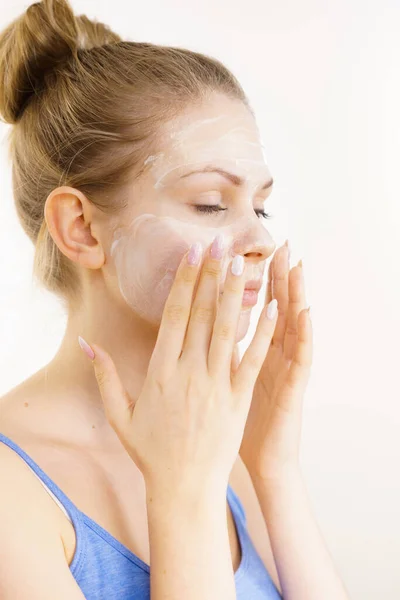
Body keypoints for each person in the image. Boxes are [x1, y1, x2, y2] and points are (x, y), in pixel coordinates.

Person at [0, 1, 350, 599]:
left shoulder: (223, 444)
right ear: (81, 228)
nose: (261, 240)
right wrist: (183, 499)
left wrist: (274, 468)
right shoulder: (12, 495)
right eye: (211, 203)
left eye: (259, 207)